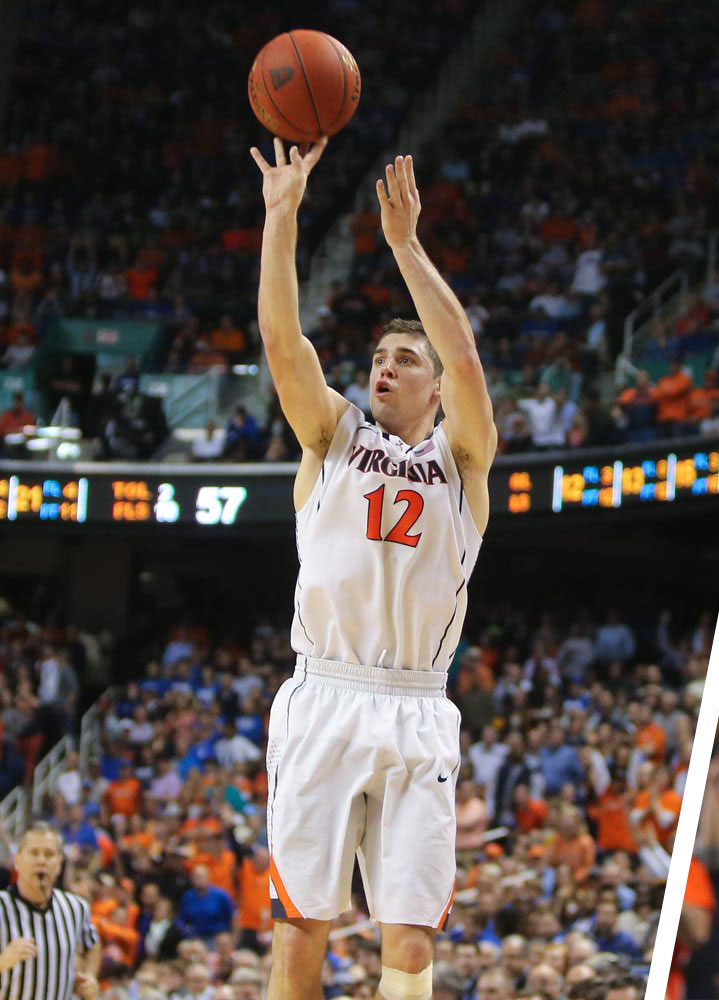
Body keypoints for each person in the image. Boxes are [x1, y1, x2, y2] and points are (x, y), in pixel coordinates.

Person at [250, 138, 496, 1000]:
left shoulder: (463, 460)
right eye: (381, 358)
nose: (386, 367)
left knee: (412, 942)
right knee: (300, 928)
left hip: (417, 705)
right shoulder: (334, 434)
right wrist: (282, 217)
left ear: (434, 389)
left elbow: (466, 360)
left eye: (406, 361)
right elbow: (283, 343)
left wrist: (406, 247)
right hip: (325, 689)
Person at [0, 823, 101, 1000]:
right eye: (34, 853)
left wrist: (90, 975)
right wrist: (3, 961)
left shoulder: (75, 907)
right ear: (17, 861)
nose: (41, 861)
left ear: (59, 864)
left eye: (49, 854)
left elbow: (92, 943)